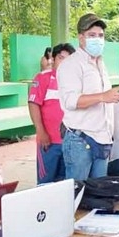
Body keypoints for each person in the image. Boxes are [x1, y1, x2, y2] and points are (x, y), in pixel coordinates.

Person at [57, 13, 119, 181]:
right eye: (92, 35)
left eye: (101, 36)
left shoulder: (100, 63)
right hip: (80, 140)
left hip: (102, 139)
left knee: (99, 194)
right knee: (76, 196)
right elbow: (71, 101)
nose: (98, 39)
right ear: (81, 38)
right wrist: (103, 96)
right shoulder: (71, 65)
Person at [28, 43, 75, 184]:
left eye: (69, 60)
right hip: (49, 142)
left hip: (70, 143)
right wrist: (41, 132)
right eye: (61, 58)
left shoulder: (75, 82)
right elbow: (33, 104)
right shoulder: (43, 78)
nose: (65, 62)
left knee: (66, 184)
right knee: (45, 184)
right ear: (53, 59)